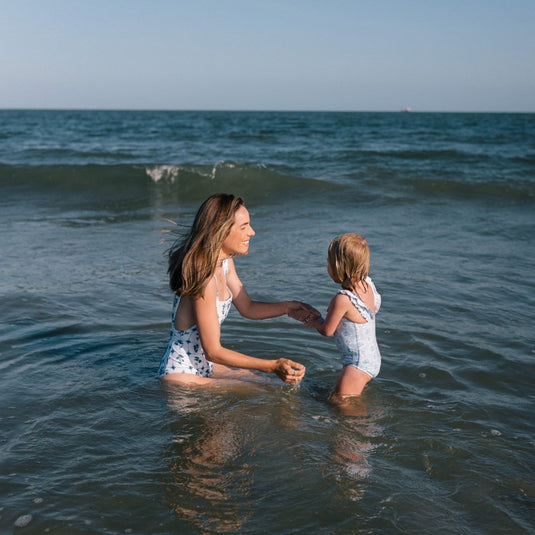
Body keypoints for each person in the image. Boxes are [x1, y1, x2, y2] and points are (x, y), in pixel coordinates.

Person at [158, 193, 319, 386]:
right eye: (244, 227)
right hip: (181, 376)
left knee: (268, 385)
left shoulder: (225, 263)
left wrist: (287, 308)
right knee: (266, 393)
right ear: (221, 230)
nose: (252, 232)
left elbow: (248, 307)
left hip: (206, 368)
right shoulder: (205, 278)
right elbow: (213, 351)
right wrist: (272, 365)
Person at [304, 233, 382, 399]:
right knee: (337, 398)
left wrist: (315, 320)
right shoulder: (367, 285)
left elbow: (327, 330)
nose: (327, 267)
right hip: (371, 359)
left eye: (328, 263)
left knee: (340, 403)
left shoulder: (343, 299)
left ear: (339, 266)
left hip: (357, 364)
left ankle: (365, 425)